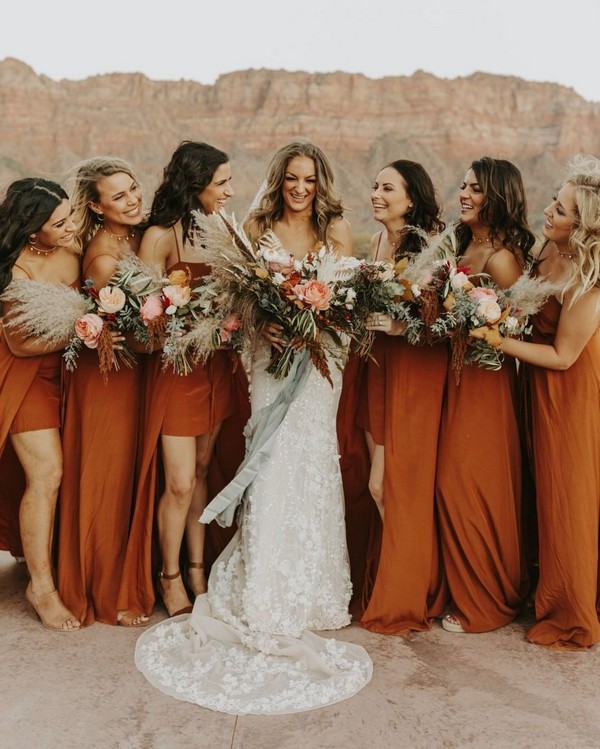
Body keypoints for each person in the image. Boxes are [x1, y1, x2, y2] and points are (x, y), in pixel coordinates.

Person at [135, 140, 372, 715]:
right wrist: (264, 328)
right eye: (291, 177)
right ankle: (261, 580)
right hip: (267, 361)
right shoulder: (256, 224)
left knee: (312, 461)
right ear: (279, 178)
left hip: (319, 367)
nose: (299, 188)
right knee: (268, 462)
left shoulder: (335, 230)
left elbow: (347, 303)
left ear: (321, 185)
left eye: (309, 180)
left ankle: (314, 586)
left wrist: (314, 328)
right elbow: (239, 299)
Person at [126, 141, 241, 620]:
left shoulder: (218, 230)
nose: (230, 192)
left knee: (200, 469)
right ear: (195, 185)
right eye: (221, 183)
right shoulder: (160, 236)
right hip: (177, 370)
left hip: (215, 367)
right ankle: (168, 576)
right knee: (177, 482)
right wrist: (192, 319)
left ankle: (198, 569)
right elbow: (146, 320)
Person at [500, 154, 600, 650]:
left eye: (559, 210)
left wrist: (494, 340)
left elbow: (563, 356)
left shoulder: (588, 282)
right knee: (538, 485)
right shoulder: (545, 254)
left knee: (567, 493)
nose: (548, 212)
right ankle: (543, 585)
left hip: (570, 394)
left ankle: (571, 607)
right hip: (534, 384)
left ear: (581, 225)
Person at [435, 156, 535, 633]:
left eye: (475, 188)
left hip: (486, 384)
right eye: (463, 185)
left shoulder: (500, 257)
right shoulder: (463, 245)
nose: (465, 194)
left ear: (497, 196)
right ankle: (458, 585)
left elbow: (521, 326)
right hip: (453, 378)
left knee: (471, 485)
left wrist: (486, 330)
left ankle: (488, 599)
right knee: (448, 485)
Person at [56, 157, 146, 627]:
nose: (132, 200)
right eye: (119, 196)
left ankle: (130, 572)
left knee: (128, 474)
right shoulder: (103, 256)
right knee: (105, 476)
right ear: (96, 205)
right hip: (106, 376)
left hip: (132, 373)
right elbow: (128, 330)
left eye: (133, 189)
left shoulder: (138, 235)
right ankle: (103, 587)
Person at [359, 159, 448, 635]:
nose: (376, 193)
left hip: (413, 370)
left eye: (387, 188)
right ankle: (404, 577)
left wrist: (398, 325)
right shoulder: (377, 241)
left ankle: (412, 588)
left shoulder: (431, 247)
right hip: (378, 366)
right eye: (374, 186)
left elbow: (444, 322)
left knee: (396, 485)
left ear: (410, 198)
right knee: (378, 484)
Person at [0, 178, 80, 631]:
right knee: (47, 473)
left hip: (71, 373)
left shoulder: (73, 249)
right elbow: (20, 342)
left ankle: (37, 553)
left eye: (70, 215)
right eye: (59, 222)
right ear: (32, 231)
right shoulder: (16, 269)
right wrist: (86, 328)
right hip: (24, 375)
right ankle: (42, 589)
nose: (70, 227)